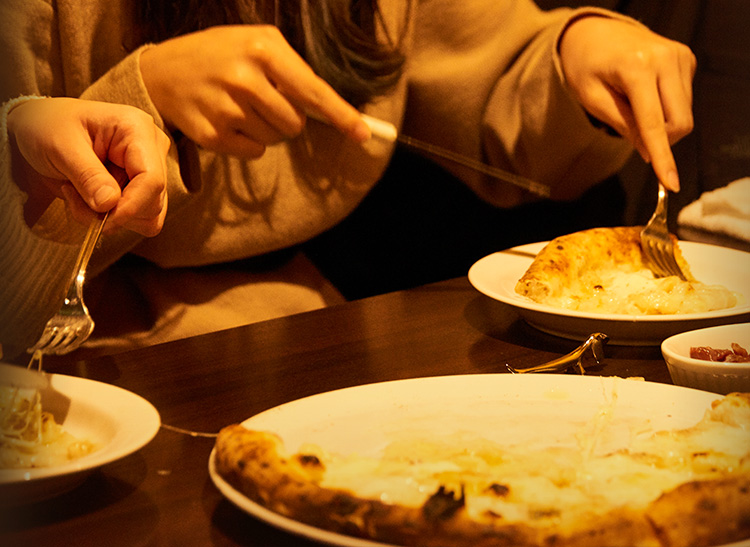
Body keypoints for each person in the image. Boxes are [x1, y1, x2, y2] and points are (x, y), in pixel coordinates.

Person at [0, 0, 695, 359]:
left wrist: (577, 47)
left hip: (298, 334)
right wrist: (141, 93)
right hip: (74, 368)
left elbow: (498, 64)